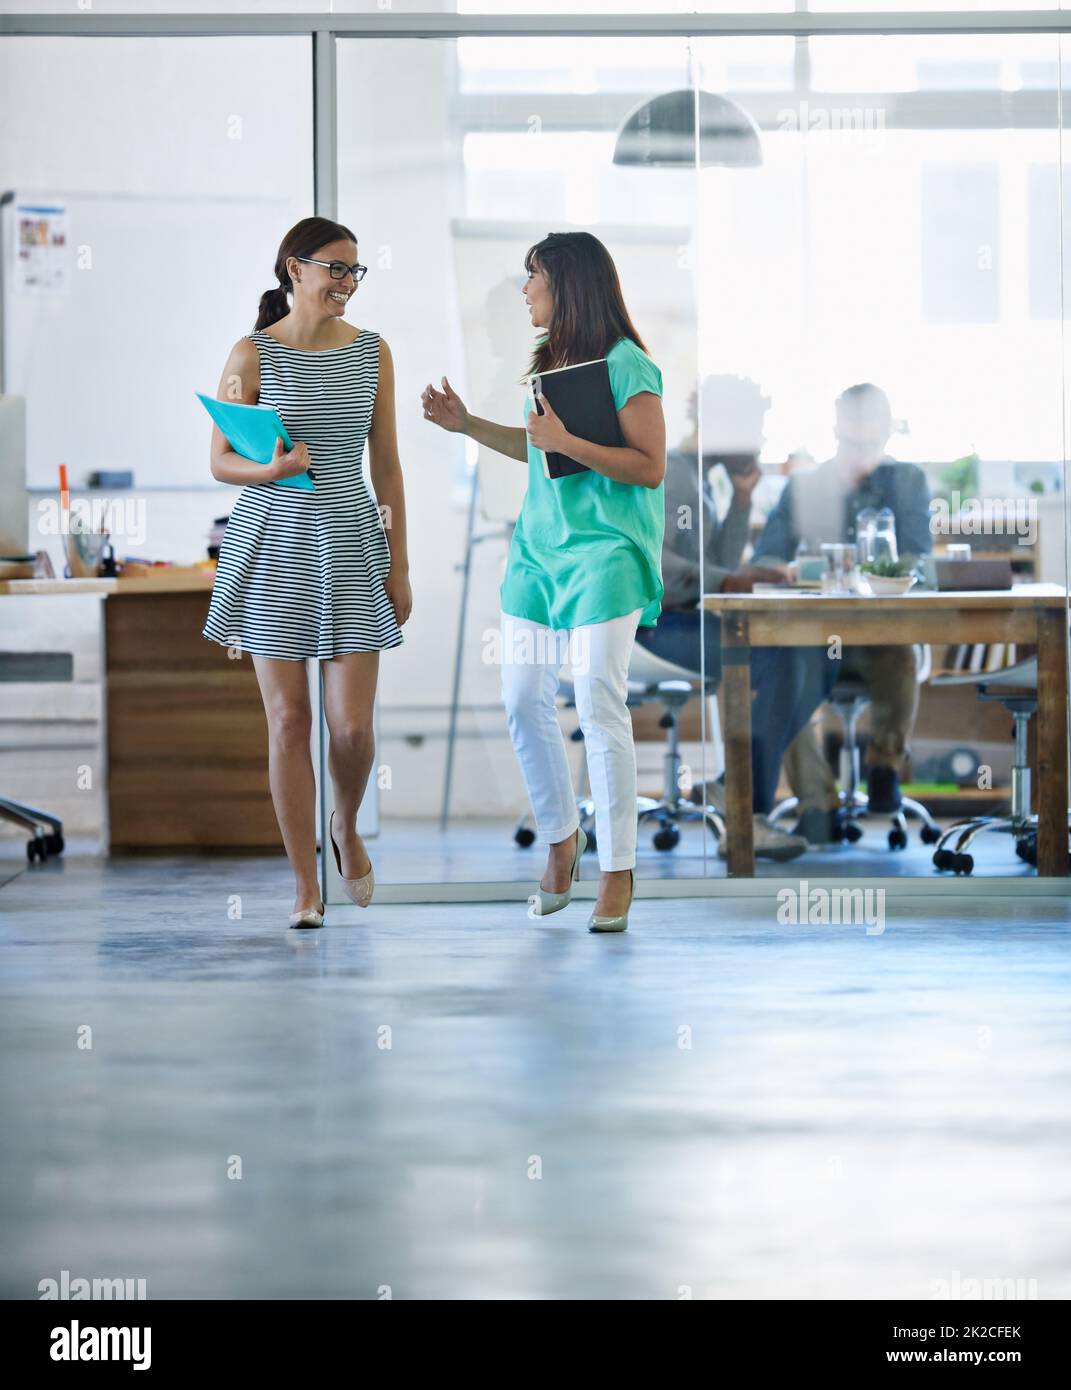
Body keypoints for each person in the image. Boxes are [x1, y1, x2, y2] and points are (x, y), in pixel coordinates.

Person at [422, 231, 665, 932]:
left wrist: (569, 444)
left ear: (566, 286)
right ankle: (563, 839)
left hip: (605, 554)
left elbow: (647, 466)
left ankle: (617, 871)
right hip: (538, 551)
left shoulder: (627, 364)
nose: (525, 290)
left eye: (532, 278)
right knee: (521, 693)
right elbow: (537, 450)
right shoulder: (547, 362)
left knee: (595, 696)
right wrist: (466, 424)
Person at [202, 216, 411, 928]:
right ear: (294, 269)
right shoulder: (249, 354)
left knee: (349, 728)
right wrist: (273, 468)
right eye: (335, 269)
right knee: (290, 722)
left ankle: (344, 825)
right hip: (272, 546)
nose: (346, 284)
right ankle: (303, 887)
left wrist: (399, 565)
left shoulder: (373, 353)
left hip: (352, 543)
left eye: (355, 272)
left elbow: (385, 466)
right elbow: (220, 460)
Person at [752, 382, 932, 844]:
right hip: (816, 642)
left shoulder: (907, 481)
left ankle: (885, 769)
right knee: (784, 671)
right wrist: (795, 571)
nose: (860, 452)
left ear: (888, 433)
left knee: (900, 656)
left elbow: (922, 562)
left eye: (870, 441)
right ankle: (818, 803)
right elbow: (766, 561)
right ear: (836, 430)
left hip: (881, 640)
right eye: (851, 440)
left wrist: (882, 572)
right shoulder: (806, 486)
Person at [637, 376, 807, 861]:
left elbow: (721, 567)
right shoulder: (674, 472)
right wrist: (733, 579)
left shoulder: (704, 477)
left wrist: (743, 498)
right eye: (751, 429)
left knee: (812, 656)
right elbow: (660, 568)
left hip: (683, 621)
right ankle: (745, 813)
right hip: (655, 629)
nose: (758, 441)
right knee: (787, 658)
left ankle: (734, 790)